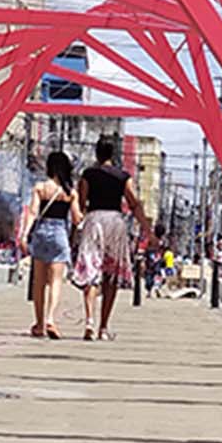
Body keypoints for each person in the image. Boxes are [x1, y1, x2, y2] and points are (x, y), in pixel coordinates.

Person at [73, 137, 145, 340]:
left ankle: (89, 321)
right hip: (115, 222)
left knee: (91, 271)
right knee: (110, 275)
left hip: (94, 220)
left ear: (96, 153)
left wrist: (74, 230)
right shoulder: (123, 176)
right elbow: (134, 203)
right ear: (113, 154)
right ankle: (103, 327)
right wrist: (147, 230)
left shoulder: (88, 174)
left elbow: (81, 203)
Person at [20, 150, 78, 338]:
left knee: (39, 282)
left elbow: (33, 212)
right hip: (60, 233)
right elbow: (77, 219)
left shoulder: (40, 188)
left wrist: (24, 235)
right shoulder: (71, 193)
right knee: (55, 281)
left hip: (41, 233)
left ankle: (38, 324)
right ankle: (51, 319)